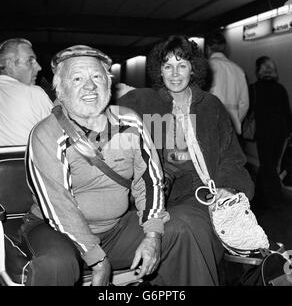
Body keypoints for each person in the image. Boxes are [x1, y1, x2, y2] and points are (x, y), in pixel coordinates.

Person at [21, 44, 214, 286]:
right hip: (56, 231)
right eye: (77, 78)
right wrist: (97, 260)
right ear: (60, 88)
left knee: (183, 228)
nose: (90, 86)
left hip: (113, 229)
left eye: (97, 77)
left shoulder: (129, 121)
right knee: (56, 264)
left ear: (108, 84)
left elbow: (149, 179)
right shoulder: (46, 134)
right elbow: (58, 206)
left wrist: (153, 235)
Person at [118, 35, 255, 283]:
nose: (175, 73)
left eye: (182, 65)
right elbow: (109, 123)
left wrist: (227, 187)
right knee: (168, 231)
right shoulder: (143, 102)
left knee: (184, 227)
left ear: (193, 69)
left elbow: (232, 157)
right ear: (158, 70)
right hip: (156, 195)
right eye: (167, 66)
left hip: (200, 193)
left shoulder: (211, 106)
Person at [249, 56, 292, 209]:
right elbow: (287, 112)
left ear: (258, 70)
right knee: (271, 164)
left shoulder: (254, 88)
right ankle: (262, 193)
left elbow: (249, 111)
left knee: (267, 164)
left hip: (263, 132)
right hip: (280, 133)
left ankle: (273, 199)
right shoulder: (280, 88)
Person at [0, 38, 53, 146]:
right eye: (30, 61)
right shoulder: (35, 94)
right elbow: (60, 138)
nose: (39, 67)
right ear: (10, 64)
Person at [205, 30, 249, 137]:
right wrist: (236, 120)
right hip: (232, 128)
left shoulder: (206, 68)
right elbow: (244, 103)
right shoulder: (238, 70)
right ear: (224, 48)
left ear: (207, 48)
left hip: (209, 126)